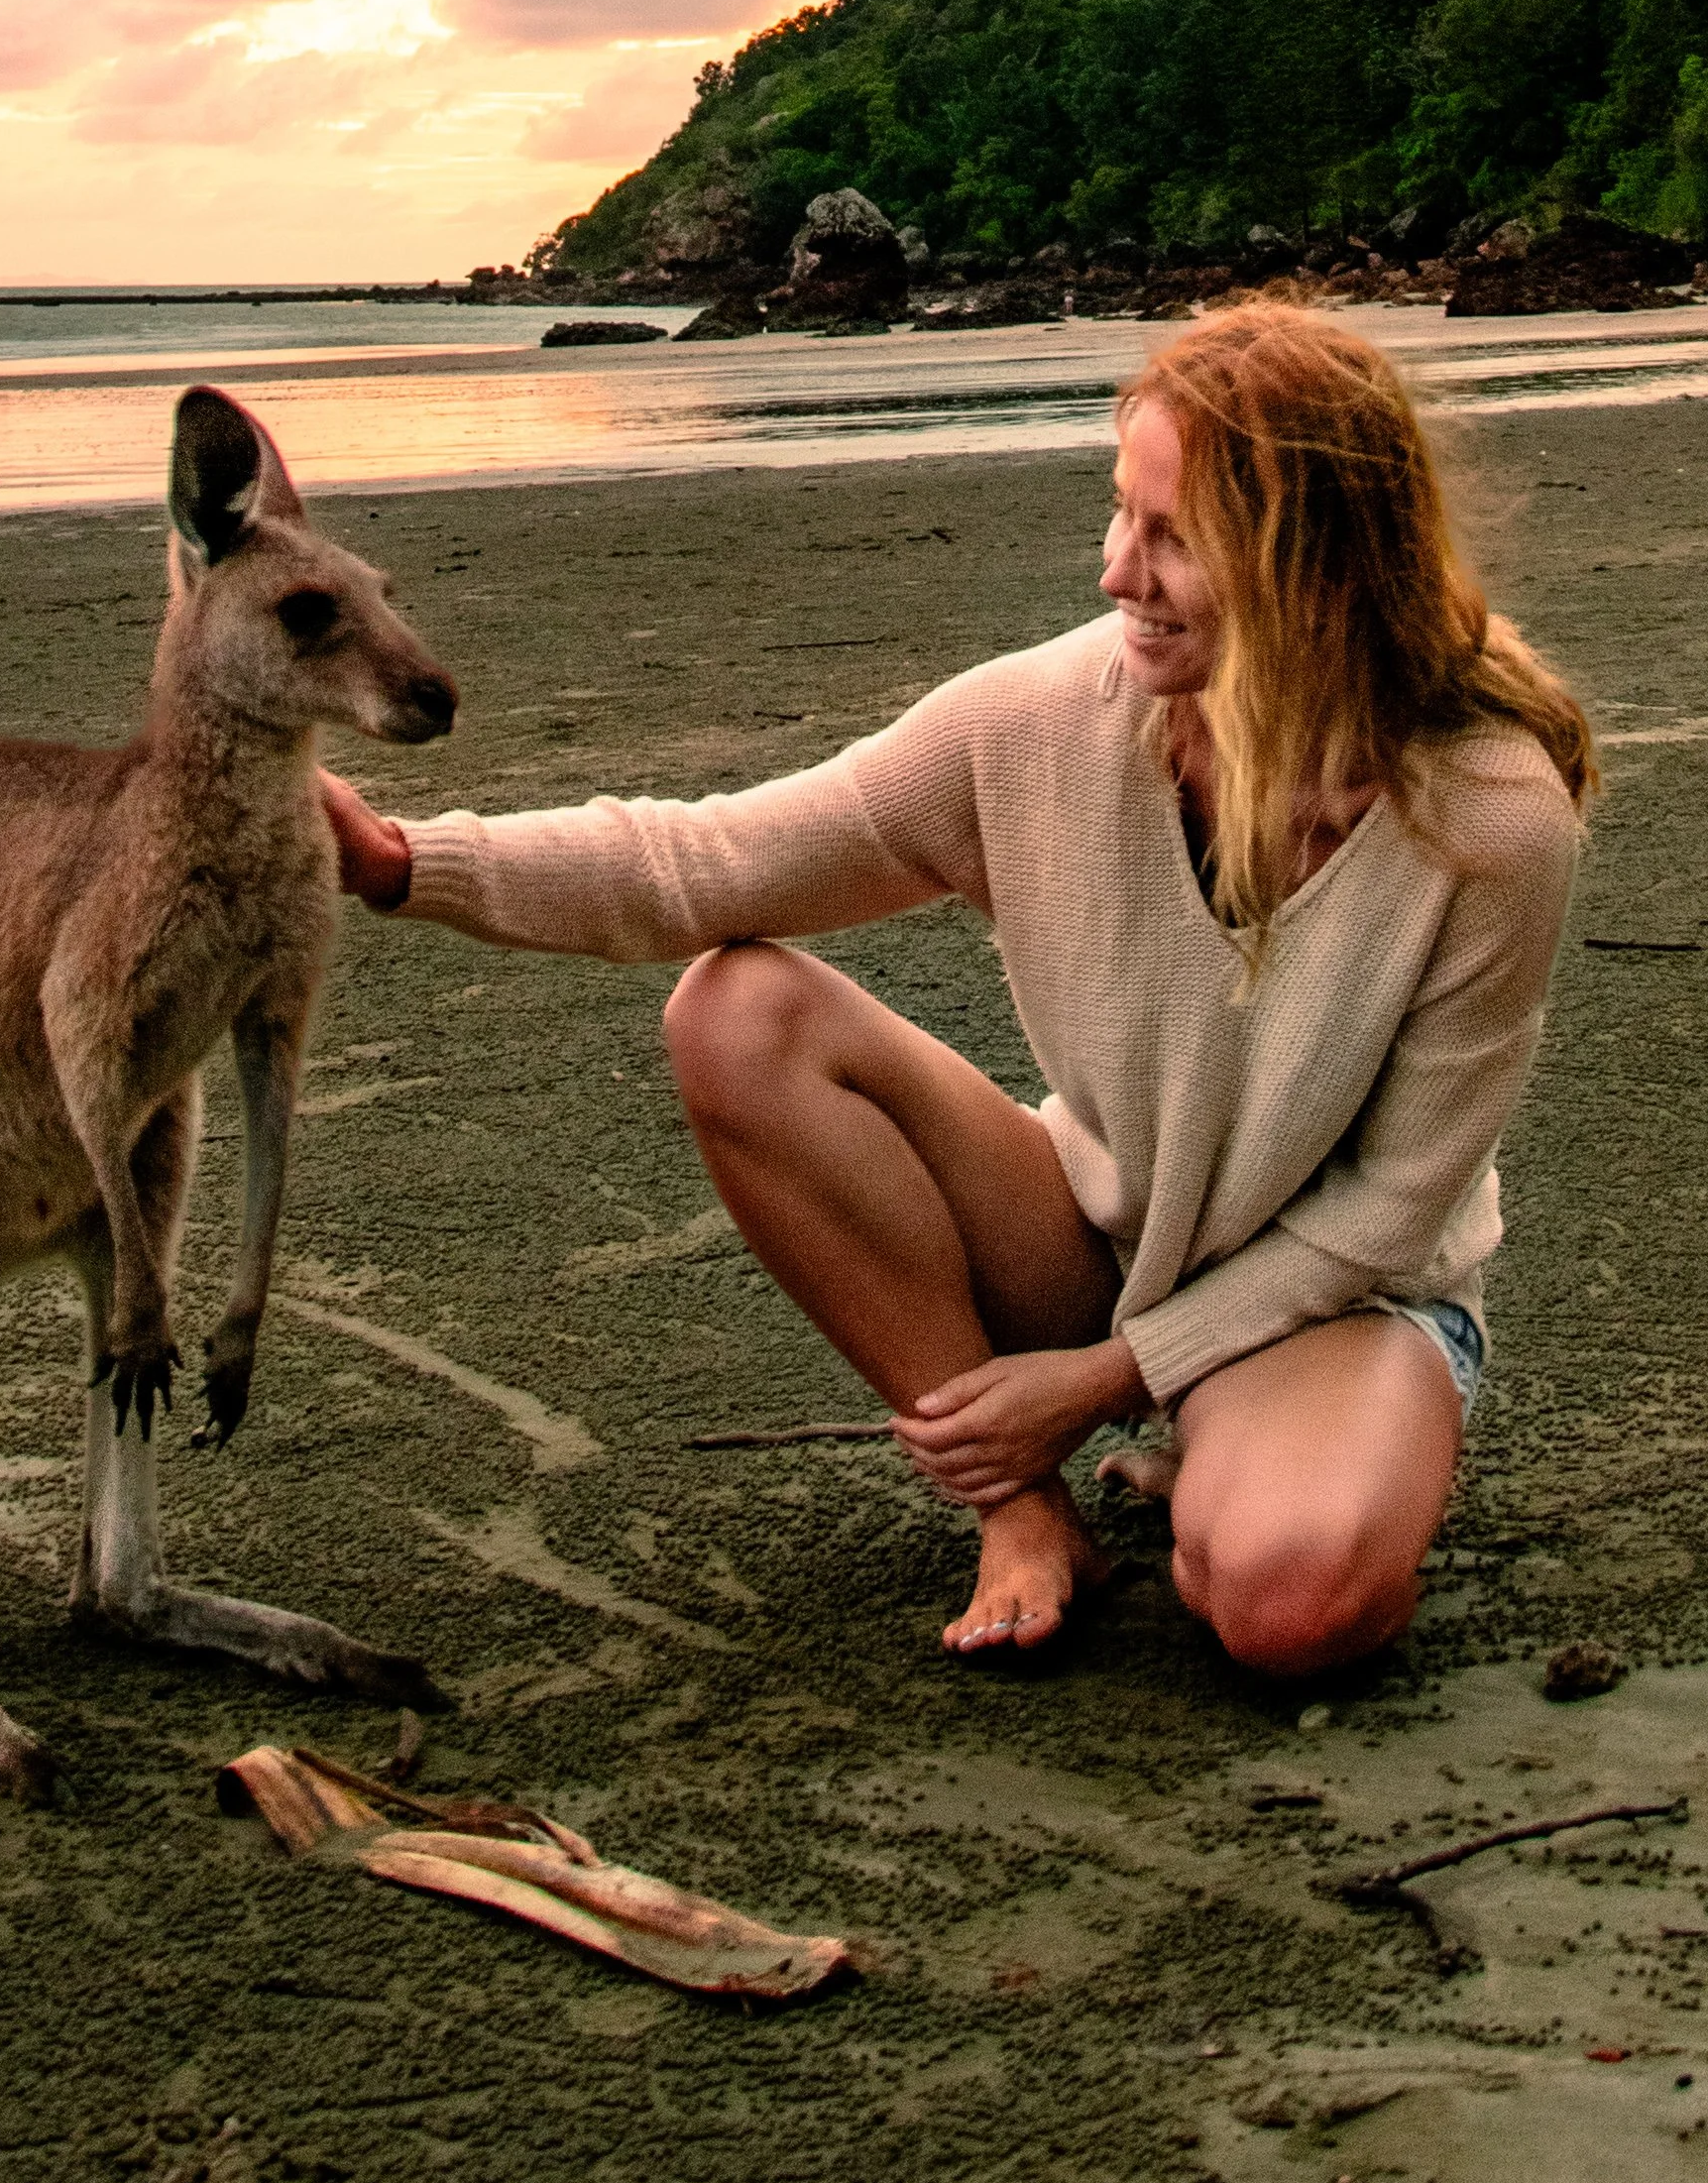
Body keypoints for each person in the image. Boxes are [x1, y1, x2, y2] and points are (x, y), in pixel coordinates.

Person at [321, 303, 1593, 1679]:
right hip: (1107, 1235)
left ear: (1315, 567)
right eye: (1121, 515)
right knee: (738, 1012)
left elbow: (1395, 1211)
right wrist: (404, 863)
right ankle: (1021, 1509)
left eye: (1173, 540)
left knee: (1291, 1609)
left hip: (1349, 1297)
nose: (1118, 573)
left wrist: (1104, 1382)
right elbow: (712, 859)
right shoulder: (1036, 726)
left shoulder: (1491, 820)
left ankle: (1236, 1433)